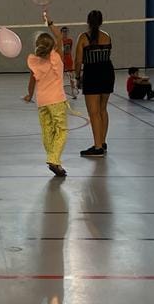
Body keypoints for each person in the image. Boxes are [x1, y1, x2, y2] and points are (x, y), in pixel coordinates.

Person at [23, 19, 69, 178]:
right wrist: (51, 23)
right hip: (56, 100)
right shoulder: (57, 57)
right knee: (61, 131)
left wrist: (29, 95)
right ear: (52, 47)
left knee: (47, 132)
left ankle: (54, 161)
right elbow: (59, 37)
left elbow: (31, 82)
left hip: (42, 102)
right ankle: (53, 159)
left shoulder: (35, 62)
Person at [75, 10, 113, 158]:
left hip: (92, 75)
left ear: (88, 22)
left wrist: (77, 76)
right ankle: (102, 142)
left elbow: (78, 60)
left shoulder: (83, 38)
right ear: (101, 21)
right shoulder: (107, 36)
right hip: (108, 73)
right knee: (102, 109)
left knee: (94, 113)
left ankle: (97, 148)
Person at [60, 26, 77, 99]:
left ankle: (73, 92)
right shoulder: (59, 41)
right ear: (61, 33)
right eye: (64, 32)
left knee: (71, 77)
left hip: (69, 60)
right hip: (61, 61)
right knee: (60, 77)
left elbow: (70, 50)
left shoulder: (70, 40)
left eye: (66, 31)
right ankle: (60, 93)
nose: (65, 33)